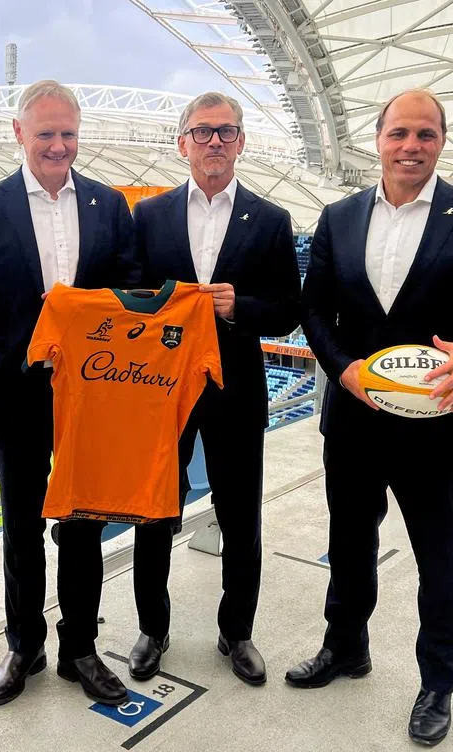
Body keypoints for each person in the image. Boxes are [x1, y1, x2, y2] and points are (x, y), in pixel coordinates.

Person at [285, 89, 453, 746]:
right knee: (349, 545)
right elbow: (314, 311)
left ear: (441, 141)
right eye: (399, 133)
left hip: (436, 420)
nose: (411, 146)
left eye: (424, 134)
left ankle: (437, 684)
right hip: (355, 418)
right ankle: (346, 648)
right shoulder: (338, 218)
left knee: (439, 556)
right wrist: (343, 368)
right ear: (378, 139)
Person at [0, 80, 139, 706]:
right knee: (20, 525)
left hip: (92, 394)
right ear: (19, 134)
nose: (58, 146)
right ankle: (23, 644)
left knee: (85, 523)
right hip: (17, 393)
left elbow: (131, 296)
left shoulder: (109, 206)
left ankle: (80, 649)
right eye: (46, 135)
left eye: (67, 134)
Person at [128, 92, 302, 686]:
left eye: (226, 132)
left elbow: (287, 310)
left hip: (236, 387)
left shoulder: (273, 220)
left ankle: (238, 631)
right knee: (155, 510)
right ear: (182, 143)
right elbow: (130, 298)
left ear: (241, 141)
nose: (215, 143)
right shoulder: (148, 217)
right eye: (202, 133)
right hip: (162, 388)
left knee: (240, 513)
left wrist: (239, 307)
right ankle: (153, 629)